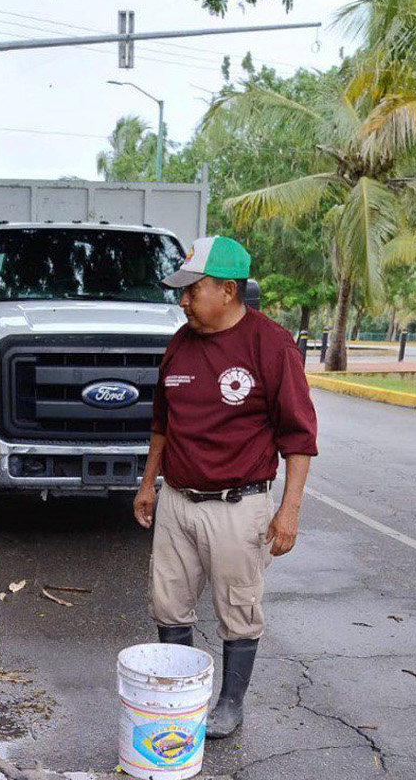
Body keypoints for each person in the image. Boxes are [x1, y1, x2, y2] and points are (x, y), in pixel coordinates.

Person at [134, 235, 318, 738]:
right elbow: (161, 425)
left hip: (238, 507)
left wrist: (290, 510)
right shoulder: (180, 343)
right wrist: (148, 484)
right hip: (176, 500)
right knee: (168, 605)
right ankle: (183, 697)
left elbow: (299, 438)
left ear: (229, 291)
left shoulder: (271, 345)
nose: (184, 301)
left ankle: (230, 704)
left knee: (238, 610)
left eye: (194, 291)